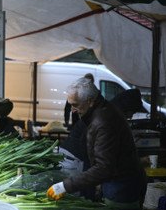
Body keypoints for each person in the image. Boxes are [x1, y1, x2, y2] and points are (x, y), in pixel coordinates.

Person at [47, 77, 145, 210]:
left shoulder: (103, 122)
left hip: (121, 183)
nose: (73, 110)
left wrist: (65, 186)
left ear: (90, 101)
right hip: (121, 179)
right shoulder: (102, 110)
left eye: (75, 104)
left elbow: (103, 168)